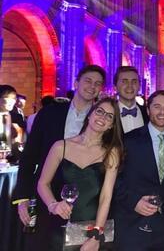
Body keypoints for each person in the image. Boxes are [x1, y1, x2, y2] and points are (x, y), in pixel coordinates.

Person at [14, 65, 106, 250]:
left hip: (85, 199)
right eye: (88, 81)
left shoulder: (101, 120)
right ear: (76, 83)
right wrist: (22, 197)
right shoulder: (50, 113)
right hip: (46, 191)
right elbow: (30, 156)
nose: (92, 86)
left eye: (97, 83)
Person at [36, 98, 123, 250]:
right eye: (99, 111)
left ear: (111, 125)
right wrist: (53, 205)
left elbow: (106, 197)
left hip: (94, 230)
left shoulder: (112, 152)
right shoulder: (60, 146)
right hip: (61, 228)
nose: (102, 117)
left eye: (109, 116)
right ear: (89, 115)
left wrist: (97, 235)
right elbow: (43, 184)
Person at [114, 90, 164, 250]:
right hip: (132, 225)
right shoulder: (128, 140)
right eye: (157, 107)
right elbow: (112, 178)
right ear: (148, 110)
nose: (162, 112)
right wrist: (134, 201)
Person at [114, 66, 148, 133]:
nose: (130, 86)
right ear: (115, 87)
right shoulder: (108, 114)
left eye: (134, 82)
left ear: (139, 87)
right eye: (124, 82)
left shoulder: (148, 114)